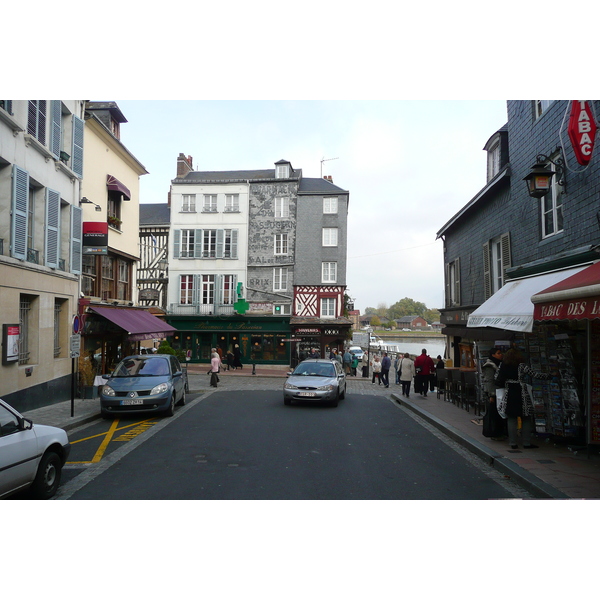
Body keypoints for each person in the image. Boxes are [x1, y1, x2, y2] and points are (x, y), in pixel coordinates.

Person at [494, 347, 551, 449]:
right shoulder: (521, 366)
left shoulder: (502, 365)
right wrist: (549, 376)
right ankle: (526, 443)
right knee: (526, 417)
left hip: (509, 393)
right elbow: (535, 374)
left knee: (511, 418)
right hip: (522, 393)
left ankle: (512, 443)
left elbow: (496, 378)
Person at [480, 347, 506, 440]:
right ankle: (494, 433)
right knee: (495, 414)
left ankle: (499, 432)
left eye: (501, 353)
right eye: (498, 353)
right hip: (494, 393)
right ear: (493, 355)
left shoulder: (499, 364)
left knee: (500, 413)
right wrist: (491, 395)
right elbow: (489, 381)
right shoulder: (490, 366)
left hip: (500, 392)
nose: (501, 354)